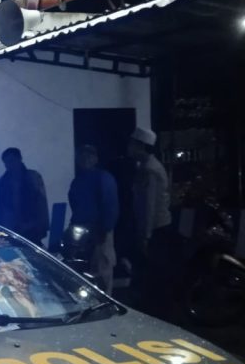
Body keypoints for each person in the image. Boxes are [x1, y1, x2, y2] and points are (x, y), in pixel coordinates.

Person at [127, 126, 173, 314]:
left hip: (156, 230)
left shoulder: (149, 170)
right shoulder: (146, 166)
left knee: (154, 273)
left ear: (141, 146)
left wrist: (145, 236)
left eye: (132, 144)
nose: (129, 147)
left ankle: (158, 311)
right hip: (154, 229)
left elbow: (149, 205)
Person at [67, 144, 119, 294]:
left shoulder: (103, 178)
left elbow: (110, 205)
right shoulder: (77, 181)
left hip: (100, 230)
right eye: (82, 155)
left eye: (89, 155)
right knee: (84, 268)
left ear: (96, 159)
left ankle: (106, 300)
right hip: (81, 232)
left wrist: (104, 229)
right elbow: (75, 205)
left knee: (102, 267)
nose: (85, 158)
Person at [0, 147, 49, 245]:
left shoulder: (33, 178)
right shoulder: (3, 182)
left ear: (19, 159)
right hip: (9, 228)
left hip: (30, 227)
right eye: (7, 162)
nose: (10, 165)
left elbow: (41, 204)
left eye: (12, 160)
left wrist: (38, 224)